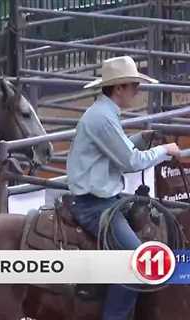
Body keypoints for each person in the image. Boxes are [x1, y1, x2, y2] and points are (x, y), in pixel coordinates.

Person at [67, 56, 181, 320]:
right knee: (135, 262)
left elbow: (119, 150)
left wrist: (141, 139)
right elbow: (130, 161)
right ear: (118, 88)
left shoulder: (103, 114)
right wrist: (164, 149)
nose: (137, 91)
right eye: (133, 85)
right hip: (94, 205)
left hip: (102, 199)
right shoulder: (103, 118)